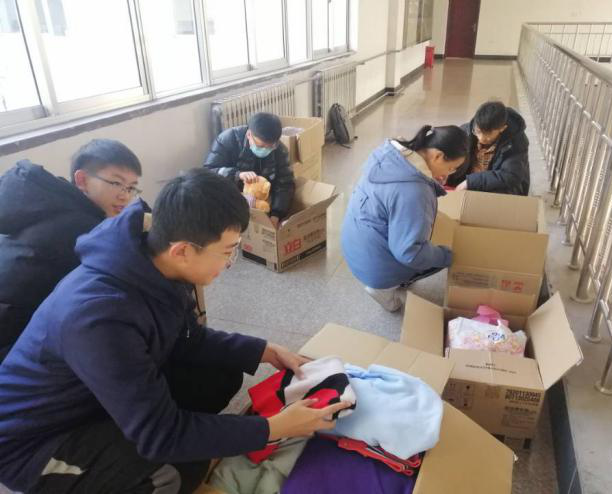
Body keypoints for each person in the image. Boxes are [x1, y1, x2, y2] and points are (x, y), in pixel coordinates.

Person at [0, 169, 350, 494]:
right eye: (227, 252)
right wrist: (275, 428)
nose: (228, 264)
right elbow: (161, 437)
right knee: (175, 472)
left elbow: (187, 338)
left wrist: (263, 350)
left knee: (222, 374)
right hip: (35, 441)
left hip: (96, 397)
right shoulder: (99, 318)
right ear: (182, 251)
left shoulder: (153, 262)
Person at [0, 139, 142, 362]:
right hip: (16, 349)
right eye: (116, 183)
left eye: (131, 187)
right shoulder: (83, 229)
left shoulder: (50, 202)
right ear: (82, 180)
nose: (125, 196)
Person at [341, 125, 469, 312]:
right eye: (451, 168)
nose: (449, 174)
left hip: (353, 247)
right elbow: (409, 253)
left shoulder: (391, 154)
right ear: (438, 156)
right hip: (374, 268)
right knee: (440, 256)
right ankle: (384, 289)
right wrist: (446, 256)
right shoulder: (415, 191)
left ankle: (388, 281)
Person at [204, 112, 295, 228]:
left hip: (262, 201)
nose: (265, 150)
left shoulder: (280, 150)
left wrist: (276, 215)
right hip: (231, 199)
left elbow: (285, 184)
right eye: (261, 146)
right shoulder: (227, 140)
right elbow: (208, 172)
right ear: (249, 134)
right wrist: (237, 175)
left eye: (270, 147)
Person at [446, 101, 530, 195]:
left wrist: (470, 182)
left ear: (502, 128)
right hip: (467, 179)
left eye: (488, 134)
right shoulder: (466, 130)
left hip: (495, 185)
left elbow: (510, 175)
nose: (481, 138)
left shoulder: (516, 142)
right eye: (478, 131)